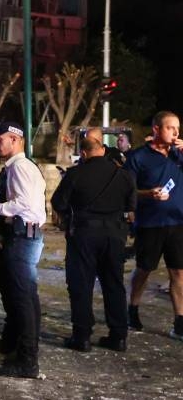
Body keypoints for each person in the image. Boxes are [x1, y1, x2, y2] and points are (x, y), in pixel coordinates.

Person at [0, 122, 47, 379]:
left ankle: (27, 360)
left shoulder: (21, 167)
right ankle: (12, 343)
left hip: (22, 237)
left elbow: (23, 204)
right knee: (17, 296)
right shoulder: (16, 168)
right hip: (18, 236)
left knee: (23, 299)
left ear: (15, 139)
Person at [52, 137, 136, 352]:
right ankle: (118, 336)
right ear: (104, 150)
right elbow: (131, 205)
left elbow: (58, 203)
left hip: (84, 234)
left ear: (84, 153)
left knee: (81, 284)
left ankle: (82, 337)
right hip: (114, 235)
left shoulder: (75, 174)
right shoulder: (122, 174)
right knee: (114, 284)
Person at [123, 111, 183, 337]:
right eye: (171, 128)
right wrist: (148, 193)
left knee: (178, 272)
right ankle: (133, 309)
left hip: (178, 222)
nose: (176, 133)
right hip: (151, 223)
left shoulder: (179, 155)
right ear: (156, 129)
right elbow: (127, 192)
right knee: (144, 269)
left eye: (178, 128)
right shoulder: (138, 157)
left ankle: (180, 320)